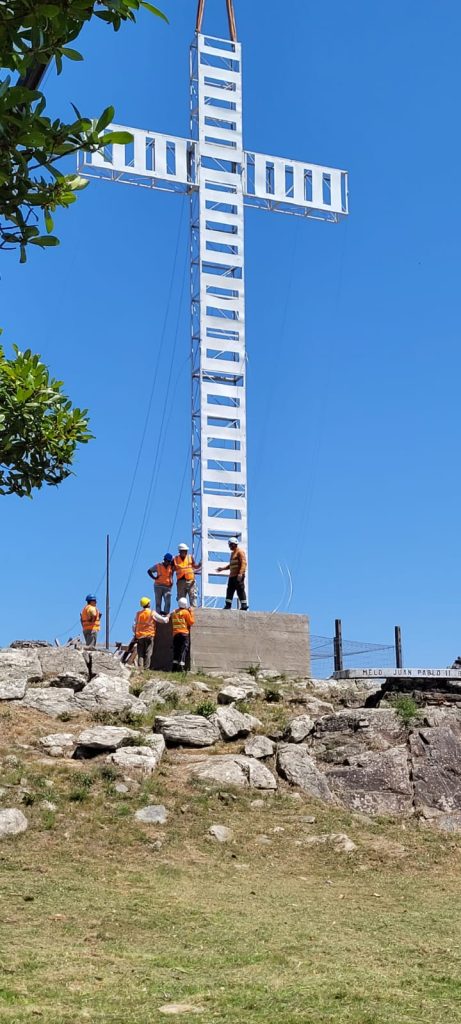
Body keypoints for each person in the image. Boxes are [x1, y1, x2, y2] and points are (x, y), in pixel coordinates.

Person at [133, 597, 169, 670]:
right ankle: (146, 668)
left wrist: (136, 634)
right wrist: (167, 616)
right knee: (148, 652)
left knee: (140, 654)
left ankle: (140, 668)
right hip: (149, 635)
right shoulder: (151, 612)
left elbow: (134, 626)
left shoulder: (138, 614)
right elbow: (163, 620)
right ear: (148, 604)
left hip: (140, 636)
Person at [217, 537, 248, 610]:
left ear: (234, 544)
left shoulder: (240, 552)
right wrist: (222, 569)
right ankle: (228, 605)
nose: (229, 546)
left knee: (240, 590)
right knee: (230, 590)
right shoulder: (232, 553)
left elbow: (243, 563)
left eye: (230, 545)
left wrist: (240, 573)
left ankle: (244, 605)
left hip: (238, 575)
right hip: (232, 576)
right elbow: (231, 565)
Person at [173, 542, 201, 608]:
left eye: (186, 551)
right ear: (180, 551)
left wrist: (200, 564)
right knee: (181, 599)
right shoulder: (175, 559)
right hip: (180, 582)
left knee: (193, 596)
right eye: (184, 551)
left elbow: (195, 566)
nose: (185, 552)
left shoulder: (190, 557)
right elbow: (171, 569)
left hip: (190, 581)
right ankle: (183, 613)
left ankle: (193, 612)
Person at [171, 597, 194, 672]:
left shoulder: (174, 612)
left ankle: (174, 667)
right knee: (183, 650)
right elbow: (191, 622)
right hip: (184, 634)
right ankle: (181, 666)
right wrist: (191, 612)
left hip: (175, 634)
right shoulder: (186, 612)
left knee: (176, 650)